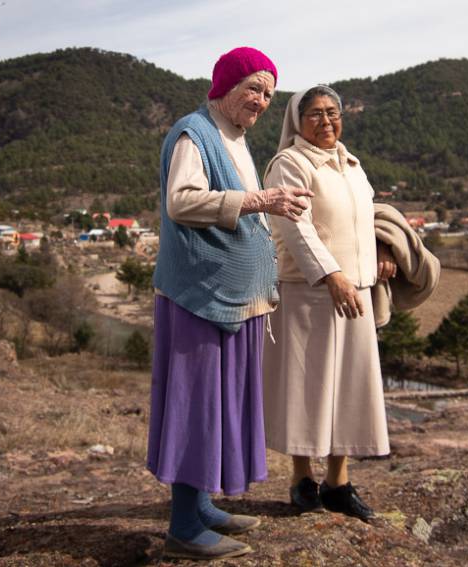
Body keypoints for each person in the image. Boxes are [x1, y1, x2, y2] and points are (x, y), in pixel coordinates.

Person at [147, 47, 313, 560]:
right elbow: (182, 201)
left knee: (219, 404)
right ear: (224, 86)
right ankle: (182, 527)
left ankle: (201, 506)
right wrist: (263, 201)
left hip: (234, 299)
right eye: (253, 89)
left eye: (268, 93)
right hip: (201, 298)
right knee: (196, 406)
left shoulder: (233, 138)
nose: (262, 100)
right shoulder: (194, 133)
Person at [262, 86, 394, 522]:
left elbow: (364, 219)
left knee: (349, 387)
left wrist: (382, 252)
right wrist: (331, 274)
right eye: (315, 114)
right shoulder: (290, 164)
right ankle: (302, 479)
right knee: (308, 388)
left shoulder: (351, 164)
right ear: (297, 121)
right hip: (309, 292)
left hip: (354, 290)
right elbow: (294, 227)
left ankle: (338, 483)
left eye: (332, 112)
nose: (326, 121)